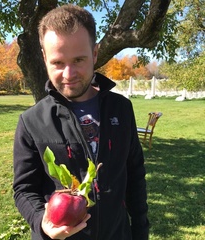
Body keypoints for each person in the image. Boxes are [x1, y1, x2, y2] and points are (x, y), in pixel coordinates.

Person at [13, 4, 149, 240]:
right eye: (57, 62)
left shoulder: (121, 109)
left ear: (95, 54)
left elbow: (134, 174)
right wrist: (41, 222)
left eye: (78, 60)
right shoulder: (31, 121)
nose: (68, 74)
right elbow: (24, 189)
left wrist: (140, 230)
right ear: (44, 58)